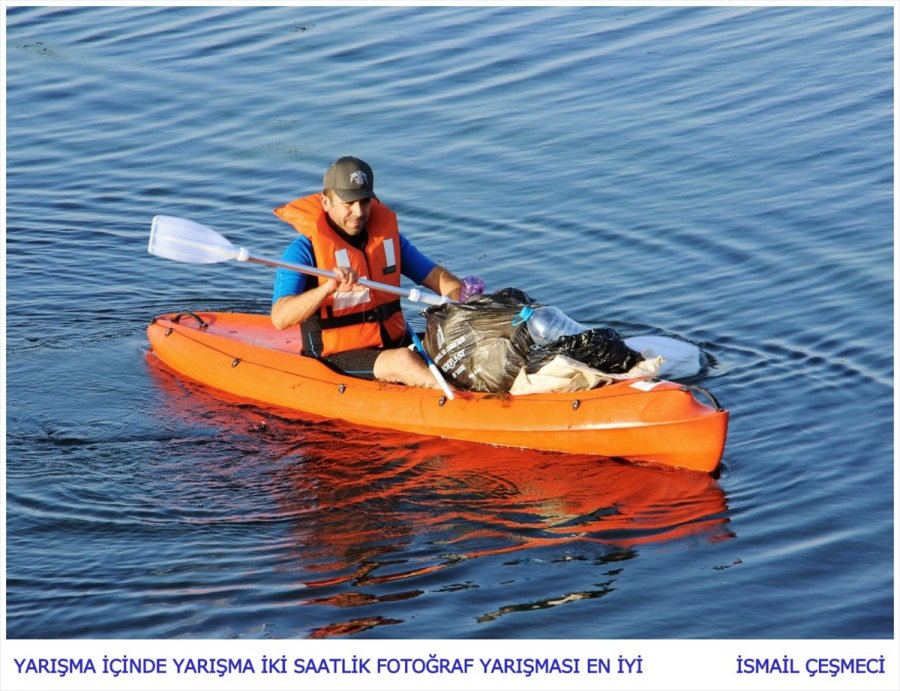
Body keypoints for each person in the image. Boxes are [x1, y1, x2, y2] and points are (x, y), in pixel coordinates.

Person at [271, 156, 462, 388]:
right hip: (336, 356)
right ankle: (465, 407)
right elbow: (280, 318)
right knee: (403, 361)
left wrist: (462, 296)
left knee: (456, 345)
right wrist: (328, 287)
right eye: (348, 203)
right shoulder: (303, 252)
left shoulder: (387, 241)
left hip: (394, 341)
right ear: (325, 202)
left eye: (364, 202)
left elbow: (439, 279)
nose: (359, 212)